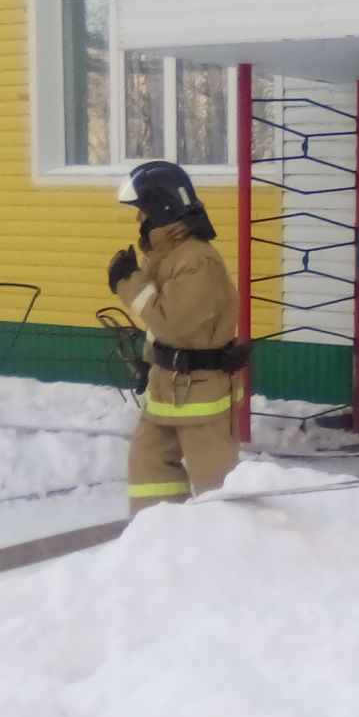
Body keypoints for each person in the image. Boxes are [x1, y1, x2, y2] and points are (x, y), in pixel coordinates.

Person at [107, 160, 247, 515]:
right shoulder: (167, 258)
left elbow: (172, 320)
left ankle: (231, 551)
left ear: (162, 208)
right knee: (148, 464)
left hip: (201, 394)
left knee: (217, 489)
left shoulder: (197, 261)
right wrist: (150, 359)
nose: (139, 220)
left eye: (142, 211)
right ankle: (156, 539)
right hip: (168, 388)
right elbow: (164, 328)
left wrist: (127, 281)